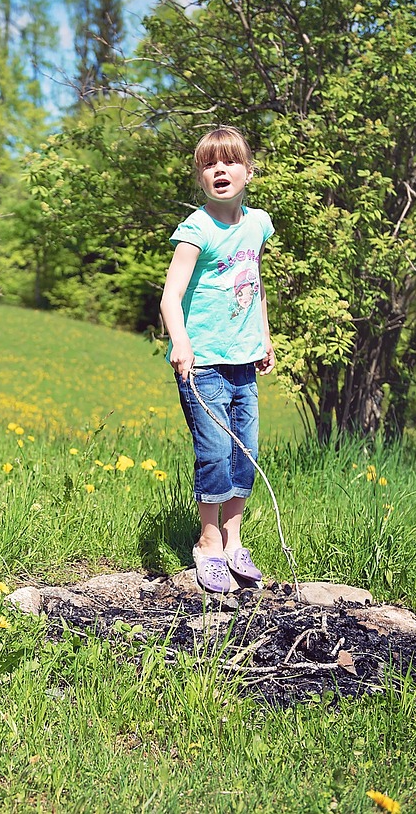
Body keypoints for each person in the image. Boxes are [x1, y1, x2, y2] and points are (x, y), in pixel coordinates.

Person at [159, 126, 275, 593]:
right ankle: (207, 544)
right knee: (215, 453)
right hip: (202, 363)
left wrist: (265, 338)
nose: (220, 170)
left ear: (248, 172)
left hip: (243, 362)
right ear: (200, 177)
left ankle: (233, 542)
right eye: (210, 164)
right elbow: (171, 297)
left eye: (229, 162)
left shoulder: (258, 223)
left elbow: (256, 283)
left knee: (246, 452)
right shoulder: (196, 229)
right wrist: (181, 344)